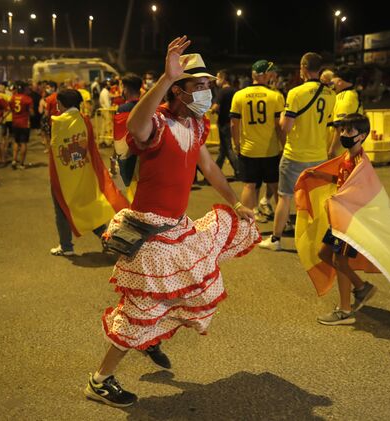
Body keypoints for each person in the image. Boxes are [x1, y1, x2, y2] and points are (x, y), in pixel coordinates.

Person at [85, 36, 259, 408]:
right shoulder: (158, 123)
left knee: (187, 293)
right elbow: (135, 123)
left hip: (177, 228)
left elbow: (210, 168)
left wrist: (236, 202)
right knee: (137, 313)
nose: (207, 92)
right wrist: (164, 78)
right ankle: (100, 380)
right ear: (178, 90)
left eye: (208, 86)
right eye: (199, 86)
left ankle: (151, 338)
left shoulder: (197, 127)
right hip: (148, 234)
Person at [294, 113, 390, 325]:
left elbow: (362, 192)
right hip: (341, 220)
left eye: (348, 131)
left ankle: (344, 310)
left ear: (362, 136)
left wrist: (339, 200)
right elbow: (342, 179)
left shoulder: (361, 164)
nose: (343, 134)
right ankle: (361, 288)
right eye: (342, 130)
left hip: (349, 222)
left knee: (338, 261)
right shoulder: (347, 158)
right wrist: (323, 176)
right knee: (324, 253)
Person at [259, 52, 335, 251]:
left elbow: (285, 127)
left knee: (284, 197)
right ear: (320, 69)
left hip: (295, 155)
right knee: (316, 198)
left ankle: (276, 240)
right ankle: (318, 238)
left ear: (303, 68)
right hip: (318, 155)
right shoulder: (331, 94)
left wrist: (283, 114)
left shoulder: (296, 93)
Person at [48, 89, 127, 256]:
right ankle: (108, 238)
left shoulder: (57, 122)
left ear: (61, 104)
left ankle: (66, 246)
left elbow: (55, 150)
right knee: (89, 207)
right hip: (85, 173)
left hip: (65, 177)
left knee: (62, 208)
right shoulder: (85, 120)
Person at [230, 60, 285, 222]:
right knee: (275, 185)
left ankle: (246, 221)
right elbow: (279, 127)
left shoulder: (239, 95)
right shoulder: (275, 96)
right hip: (271, 149)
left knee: (249, 185)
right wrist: (283, 145)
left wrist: (236, 144)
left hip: (248, 149)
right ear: (266, 75)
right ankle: (282, 220)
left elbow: (234, 124)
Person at [327, 66, 363, 158]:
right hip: (348, 150)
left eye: (332, 82)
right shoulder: (352, 95)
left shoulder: (344, 98)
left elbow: (340, 127)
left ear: (339, 82)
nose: (330, 86)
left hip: (340, 153)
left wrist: (332, 150)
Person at [211, 69, 239, 179]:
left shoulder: (222, 92)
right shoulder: (235, 91)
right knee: (223, 150)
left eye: (217, 78)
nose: (216, 80)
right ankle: (214, 173)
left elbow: (215, 108)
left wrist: (213, 109)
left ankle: (239, 170)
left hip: (223, 122)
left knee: (227, 148)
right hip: (232, 121)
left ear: (223, 78)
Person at [10, 82, 34, 169]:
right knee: (23, 143)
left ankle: (14, 160)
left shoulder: (13, 98)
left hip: (15, 122)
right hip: (24, 123)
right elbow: (31, 112)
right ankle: (21, 163)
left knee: (16, 141)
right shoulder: (28, 99)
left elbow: (11, 108)